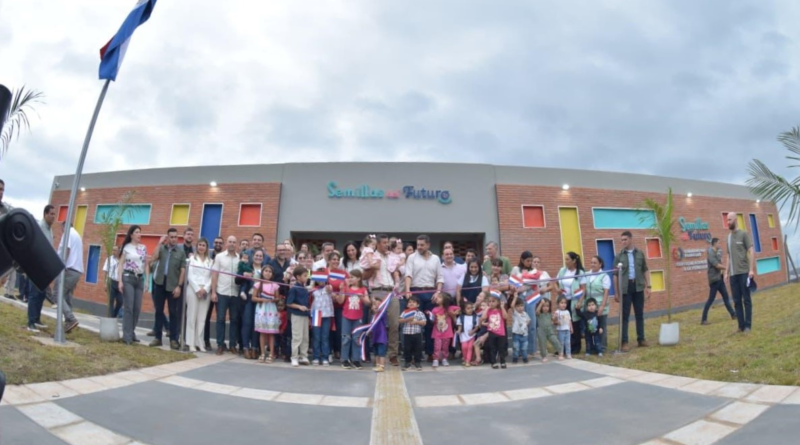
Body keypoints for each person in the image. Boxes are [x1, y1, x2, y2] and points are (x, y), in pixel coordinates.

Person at [404, 234, 444, 361]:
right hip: (415, 292)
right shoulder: (412, 257)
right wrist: (407, 290)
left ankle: (430, 353)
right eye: (418, 245)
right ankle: (414, 354)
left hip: (431, 293)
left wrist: (438, 292)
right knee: (414, 324)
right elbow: (408, 275)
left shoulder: (436, 259)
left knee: (430, 324)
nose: (419, 247)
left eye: (422, 245)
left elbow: (440, 277)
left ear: (428, 245)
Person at [363, 234, 399, 365]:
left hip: (391, 292)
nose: (386, 245)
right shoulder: (371, 255)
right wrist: (373, 267)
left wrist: (396, 278)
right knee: (376, 325)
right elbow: (364, 275)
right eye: (384, 242)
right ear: (377, 244)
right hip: (377, 291)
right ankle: (377, 354)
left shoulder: (391, 256)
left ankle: (393, 354)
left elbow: (396, 271)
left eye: (387, 242)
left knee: (394, 324)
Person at [614, 231, 652, 351]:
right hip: (626, 288)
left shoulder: (640, 253)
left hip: (638, 286)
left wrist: (649, 286)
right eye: (622, 240)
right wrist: (616, 292)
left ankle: (641, 339)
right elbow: (615, 275)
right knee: (625, 316)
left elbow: (645, 270)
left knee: (639, 314)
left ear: (631, 239)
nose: (623, 242)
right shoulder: (619, 256)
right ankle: (624, 341)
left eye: (625, 239)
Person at [150, 228, 187, 350]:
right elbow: (153, 258)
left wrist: (179, 286)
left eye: (175, 237)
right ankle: (158, 338)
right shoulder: (162, 249)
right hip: (160, 283)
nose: (174, 239)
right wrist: (159, 243)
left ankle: (173, 340)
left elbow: (182, 271)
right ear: (168, 237)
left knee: (173, 313)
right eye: (171, 237)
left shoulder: (180, 252)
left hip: (173, 285)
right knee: (159, 311)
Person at [26, 205, 56, 332]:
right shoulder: (39, 226)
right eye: (51, 214)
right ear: (45, 214)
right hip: (35, 265)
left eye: (54, 214)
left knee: (41, 294)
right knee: (34, 294)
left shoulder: (50, 230)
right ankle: (30, 323)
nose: (53, 217)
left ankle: (37, 319)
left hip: (44, 266)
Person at [118, 225, 148, 345]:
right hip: (128, 278)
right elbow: (121, 264)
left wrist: (147, 280)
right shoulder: (126, 247)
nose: (139, 234)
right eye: (136, 232)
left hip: (139, 279)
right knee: (129, 307)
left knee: (137, 308)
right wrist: (120, 281)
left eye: (140, 232)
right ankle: (127, 336)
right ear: (131, 235)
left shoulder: (143, 248)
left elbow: (146, 264)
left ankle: (131, 331)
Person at [726, 212, 756, 332]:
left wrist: (751, 269)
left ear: (735, 220)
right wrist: (726, 272)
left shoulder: (743, 234)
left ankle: (748, 325)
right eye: (727, 220)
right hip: (733, 275)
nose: (728, 222)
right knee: (737, 301)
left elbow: (751, 250)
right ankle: (741, 326)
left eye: (730, 220)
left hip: (744, 272)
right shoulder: (728, 238)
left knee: (746, 300)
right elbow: (728, 256)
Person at [211, 236, 241, 355]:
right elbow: (214, 275)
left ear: (236, 244)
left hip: (235, 293)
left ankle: (232, 345)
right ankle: (220, 344)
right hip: (222, 292)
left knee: (234, 320)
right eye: (230, 242)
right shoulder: (219, 257)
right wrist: (213, 292)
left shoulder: (240, 258)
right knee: (220, 319)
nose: (232, 244)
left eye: (234, 242)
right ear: (226, 244)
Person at [338, 269, 369, 369]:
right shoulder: (346, 288)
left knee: (356, 339)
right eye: (349, 277)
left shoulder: (363, 289)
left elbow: (368, 303)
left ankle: (356, 360)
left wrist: (362, 297)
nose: (350, 279)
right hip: (346, 316)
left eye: (352, 277)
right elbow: (340, 301)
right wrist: (341, 290)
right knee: (345, 338)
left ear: (359, 278)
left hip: (358, 317)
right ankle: (344, 359)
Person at [556, 251, 586, 355]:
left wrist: (580, 301)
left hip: (574, 301)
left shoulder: (580, 273)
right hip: (564, 302)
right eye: (565, 259)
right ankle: (563, 347)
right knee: (564, 324)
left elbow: (583, 289)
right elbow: (555, 282)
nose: (566, 261)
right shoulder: (562, 270)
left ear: (574, 261)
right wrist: (557, 290)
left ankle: (575, 347)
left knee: (574, 324)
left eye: (567, 259)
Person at [702, 237, 736, 325]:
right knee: (710, 299)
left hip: (719, 279)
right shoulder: (710, 253)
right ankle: (703, 319)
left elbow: (719, 263)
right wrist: (726, 268)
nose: (720, 245)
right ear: (714, 244)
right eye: (719, 243)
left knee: (726, 297)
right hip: (714, 280)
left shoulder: (716, 252)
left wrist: (724, 272)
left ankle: (733, 314)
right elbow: (716, 265)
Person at [186, 238, 213, 352]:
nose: (201, 247)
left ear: (206, 248)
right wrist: (197, 289)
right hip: (193, 289)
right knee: (192, 317)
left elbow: (212, 277)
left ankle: (199, 343)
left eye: (203, 245)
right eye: (200, 245)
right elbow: (189, 275)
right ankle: (190, 343)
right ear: (196, 246)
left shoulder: (210, 261)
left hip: (205, 290)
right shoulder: (191, 259)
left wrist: (205, 289)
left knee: (202, 318)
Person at [56, 223, 83, 334]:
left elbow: (66, 249)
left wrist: (61, 266)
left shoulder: (67, 233)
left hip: (69, 270)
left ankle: (70, 319)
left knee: (57, 294)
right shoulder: (77, 235)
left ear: (63, 227)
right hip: (76, 271)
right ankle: (69, 324)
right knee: (67, 297)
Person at [581, 256, 611, 349]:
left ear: (600, 264)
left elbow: (606, 292)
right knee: (591, 326)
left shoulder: (604, 276)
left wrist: (602, 306)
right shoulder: (586, 274)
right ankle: (593, 346)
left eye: (595, 263)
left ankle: (602, 346)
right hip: (590, 307)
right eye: (591, 262)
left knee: (601, 326)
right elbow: (583, 289)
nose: (592, 264)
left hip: (600, 305)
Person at [253, 264, 281, 363]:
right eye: (266, 271)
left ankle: (271, 354)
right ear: (262, 272)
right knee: (262, 332)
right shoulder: (258, 284)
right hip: (261, 309)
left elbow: (277, 298)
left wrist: (273, 299)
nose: (268, 273)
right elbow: (253, 297)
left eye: (270, 271)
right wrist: (263, 299)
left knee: (271, 332)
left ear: (272, 274)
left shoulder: (275, 285)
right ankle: (262, 353)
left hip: (271, 309)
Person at [286, 266, 311, 367]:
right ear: (298, 277)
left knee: (305, 337)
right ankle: (294, 357)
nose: (307, 277)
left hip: (305, 315)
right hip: (296, 315)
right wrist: (299, 307)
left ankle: (303, 356)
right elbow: (289, 303)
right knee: (297, 337)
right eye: (305, 276)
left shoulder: (304, 288)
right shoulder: (294, 289)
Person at [310, 266, 334, 366]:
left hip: (326, 315)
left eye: (323, 278)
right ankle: (316, 357)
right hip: (316, 314)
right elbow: (307, 292)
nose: (321, 281)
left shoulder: (328, 288)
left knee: (325, 337)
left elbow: (331, 292)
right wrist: (312, 284)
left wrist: (330, 289)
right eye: (318, 278)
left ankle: (325, 357)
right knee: (316, 337)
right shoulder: (313, 289)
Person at [203, 236, 224, 350]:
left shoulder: (224, 257)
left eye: (220, 243)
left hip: (221, 290)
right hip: (208, 290)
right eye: (216, 242)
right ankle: (206, 340)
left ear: (223, 244)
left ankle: (221, 343)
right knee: (206, 316)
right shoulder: (207, 256)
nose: (218, 244)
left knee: (220, 317)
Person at [482, 292, 510, 369]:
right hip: (492, 332)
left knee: (501, 348)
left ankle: (502, 362)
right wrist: (487, 308)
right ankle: (493, 362)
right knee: (492, 348)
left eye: (493, 301)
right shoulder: (489, 311)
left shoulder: (500, 310)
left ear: (498, 302)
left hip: (501, 332)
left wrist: (502, 307)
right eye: (490, 301)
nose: (491, 303)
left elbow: (505, 317)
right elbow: (483, 317)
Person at [430, 292, 458, 367]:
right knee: (437, 346)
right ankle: (436, 359)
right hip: (437, 332)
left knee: (445, 347)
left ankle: (444, 359)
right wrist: (431, 318)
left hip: (447, 332)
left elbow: (459, 308)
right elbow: (432, 320)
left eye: (439, 297)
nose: (437, 298)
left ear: (445, 300)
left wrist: (453, 313)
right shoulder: (434, 309)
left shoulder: (449, 308)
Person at [399, 295, 426, 371]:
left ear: (418, 305)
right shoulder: (405, 312)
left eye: (414, 302)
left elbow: (424, 322)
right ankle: (407, 362)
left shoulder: (419, 313)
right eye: (409, 302)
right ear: (407, 304)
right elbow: (399, 320)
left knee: (418, 348)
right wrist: (407, 319)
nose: (411, 303)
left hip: (417, 334)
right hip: (407, 334)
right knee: (407, 348)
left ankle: (417, 362)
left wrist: (417, 322)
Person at [456, 302, 479, 367]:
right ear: (464, 310)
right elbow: (460, 326)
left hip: (472, 335)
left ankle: (468, 361)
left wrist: (473, 331)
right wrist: (459, 331)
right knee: (464, 347)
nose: (470, 310)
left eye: (471, 308)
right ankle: (465, 358)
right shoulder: (461, 317)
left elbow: (477, 326)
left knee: (470, 347)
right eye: (468, 308)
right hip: (463, 335)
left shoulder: (475, 317)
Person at [102, 245, 123, 319]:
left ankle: (114, 315)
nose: (113, 252)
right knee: (111, 301)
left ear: (119, 251)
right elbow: (105, 271)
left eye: (115, 250)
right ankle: (110, 317)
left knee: (120, 301)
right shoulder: (109, 259)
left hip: (119, 282)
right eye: (113, 250)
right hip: (111, 281)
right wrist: (105, 283)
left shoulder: (122, 260)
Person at [371, 295, 389, 373]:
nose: (376, 306)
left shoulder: (382, 313)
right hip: (375, 337)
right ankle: (377, 365)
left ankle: (382, 366)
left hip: (381, 337)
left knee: (381, 353)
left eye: (378, 304)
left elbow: (380, 312)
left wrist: (376, 306)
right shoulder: (373, 316)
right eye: (375, 304)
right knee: (376, 353)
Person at [511, 299, 531, 364]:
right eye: (518, 306)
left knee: (524, 348)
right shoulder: (515, 314)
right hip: (516, 334)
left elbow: (529, 320)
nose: (520, 308)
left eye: (521, 305)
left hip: (524, 334)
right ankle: (515, 358)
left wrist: (527, 323)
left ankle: (525, 358)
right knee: (516, 347)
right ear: (515, 307)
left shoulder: (525, 314)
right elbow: (512, 306)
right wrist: (515, 297)